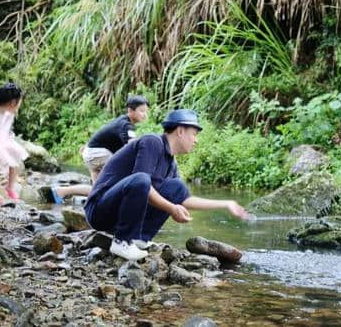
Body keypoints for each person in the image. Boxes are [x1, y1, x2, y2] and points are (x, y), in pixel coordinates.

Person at [84, 109, 248, 261]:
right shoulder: (152, 142)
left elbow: (184, 200)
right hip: (99, 210)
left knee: (177, 187)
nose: (196, 141)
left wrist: (226, 204)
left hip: (116, 213)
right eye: (194, 134)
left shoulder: (171, 164)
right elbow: (141, 183)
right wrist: (171, 208)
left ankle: (139, 238)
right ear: (180, 131)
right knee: (141, 179)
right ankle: (122, 242)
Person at [48, 95, 149, 203]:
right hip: (97, 154)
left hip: (93, 153)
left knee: (98, 191)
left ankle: (61, 191)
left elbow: (105, 134)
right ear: (130, 110)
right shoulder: (126, 125)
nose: (145, 115)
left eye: (146, 111)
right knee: (123, 175)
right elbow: (132, 147)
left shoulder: (122, 122)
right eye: (142, 111)